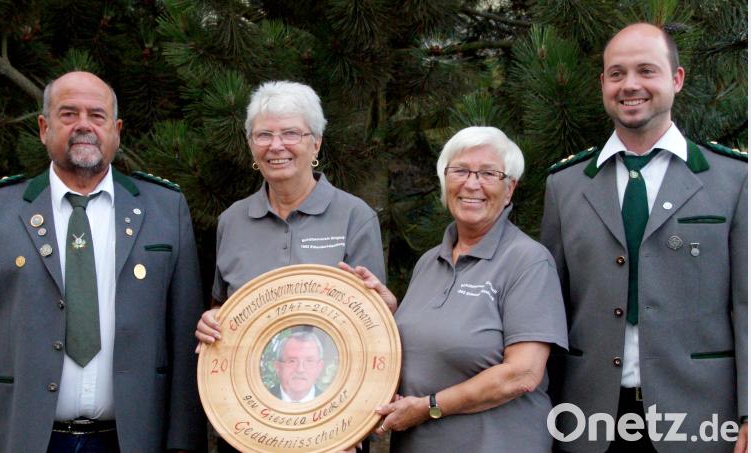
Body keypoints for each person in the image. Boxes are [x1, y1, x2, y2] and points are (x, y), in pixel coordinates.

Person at [0, 71, 205, 453]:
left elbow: (185, 340)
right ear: (43, 127)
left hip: (133, 440)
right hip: (25, 439)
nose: (84, 125)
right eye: (69, 114)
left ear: (116, 130)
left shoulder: (165, 209)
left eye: (97, 116)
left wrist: (184, 444)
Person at [540, 23, 747, 453]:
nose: (630, 85)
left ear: (677, 79)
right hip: (587, 421)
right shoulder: (566, 184)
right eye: (616, 74)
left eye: (646, 71)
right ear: (602, 84)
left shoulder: (734, 179)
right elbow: (549, 309)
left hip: (701, 419)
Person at [341, 126, 568, 451]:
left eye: (488, 173)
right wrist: (385, 312)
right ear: (444, 181)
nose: (471, 183)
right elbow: (425, 351)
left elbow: (522, 374)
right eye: (460, 171)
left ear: (510, 189)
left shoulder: (527, 261)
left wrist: (429, 406)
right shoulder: (429, 262)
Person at [194, 80, 386, 452]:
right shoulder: (232, 221)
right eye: (263, 135)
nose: (276, 146)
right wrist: (209, 325)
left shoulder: (354, 216)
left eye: (290, 134)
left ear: (315, 143)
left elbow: (374, 331)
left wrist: (354, 426)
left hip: (333, 434)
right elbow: (223, 311)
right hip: (247, 433)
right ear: (251, 145)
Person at [269, 331, 326, 403]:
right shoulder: (261, 399)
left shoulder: (331, 402)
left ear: (319, 368)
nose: (300, 369)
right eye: (292, 361)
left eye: (309, 361)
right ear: (278, 367)